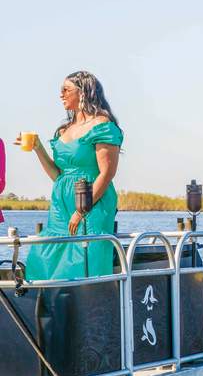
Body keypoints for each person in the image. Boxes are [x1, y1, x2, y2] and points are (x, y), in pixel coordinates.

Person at [17, 71, 123, 280]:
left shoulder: (102, 125)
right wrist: (38, 148)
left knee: (83, 257)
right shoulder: (64, 130)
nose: (61, 95)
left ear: (83, 92)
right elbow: (58, 175)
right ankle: (49, 305)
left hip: (90, 201)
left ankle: (89, 303)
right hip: (60, 203)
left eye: (66, 90)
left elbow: (107, 173)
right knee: (44, 253)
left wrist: (81, 210)